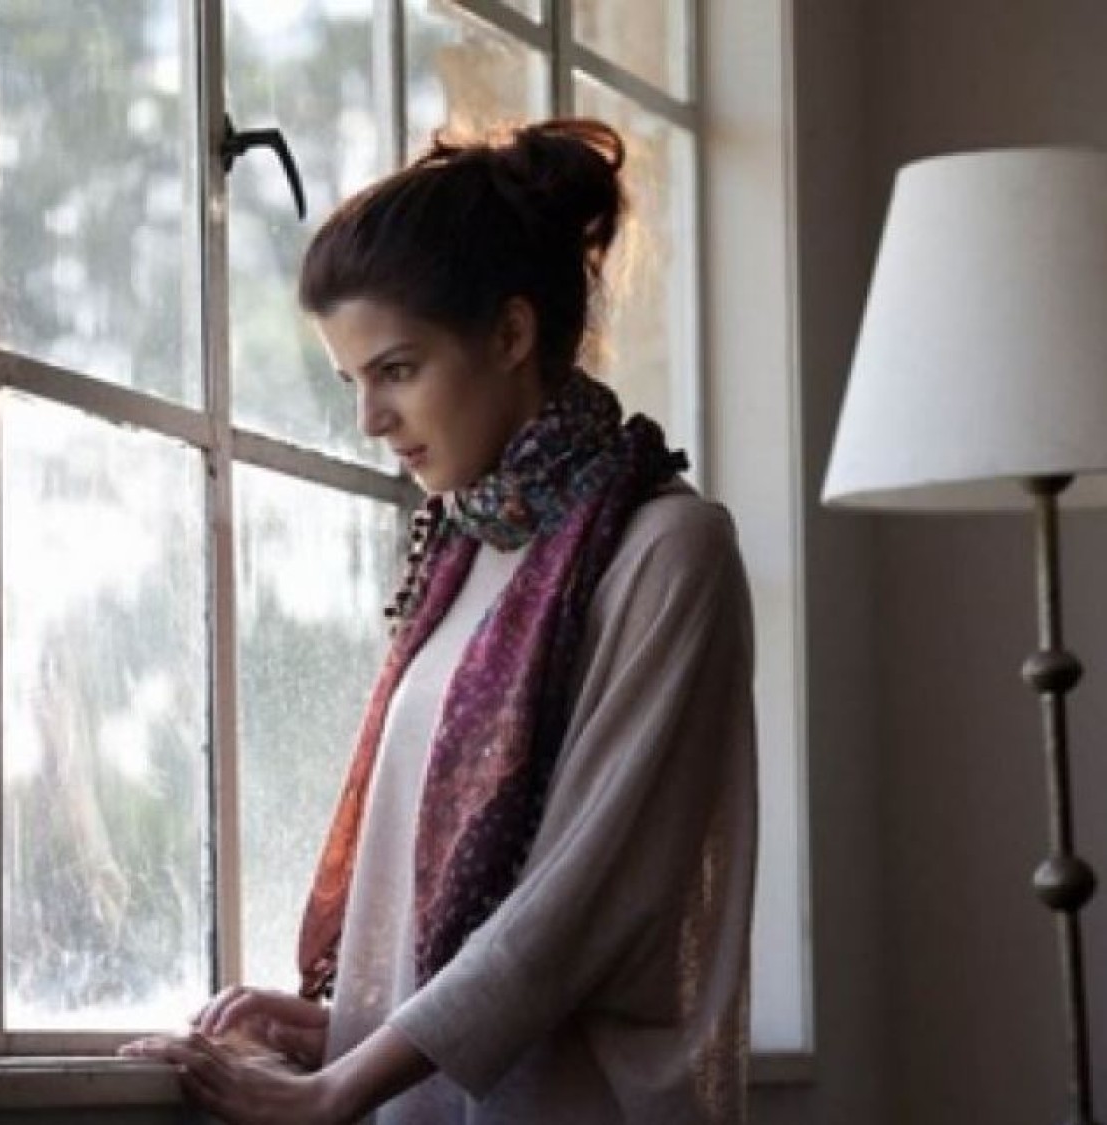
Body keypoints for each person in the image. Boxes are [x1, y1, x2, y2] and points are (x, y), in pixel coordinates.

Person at [121, 117, 757, 1125]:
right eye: (351, 382)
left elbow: (571, 908)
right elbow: (449, 925)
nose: (368, 420)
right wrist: (342, 1025)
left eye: (398, 370)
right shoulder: (457, 554)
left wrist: (336, 1088)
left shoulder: (668, 552)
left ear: (510, 335)